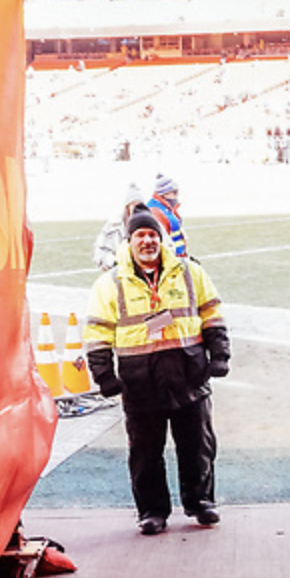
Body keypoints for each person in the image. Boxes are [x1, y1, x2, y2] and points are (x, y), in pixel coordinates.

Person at [85, 209, 232, 535]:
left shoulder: (191, 272)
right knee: (145, 454)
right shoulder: (109, 284)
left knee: (198, 447)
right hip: (140, 383)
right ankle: (152, 511)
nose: (148, 240)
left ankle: (200, 502)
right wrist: (104, 376)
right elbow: (97, 333)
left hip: (190, 376)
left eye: (153, 234)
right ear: (130, 241)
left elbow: (212, 313)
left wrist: (219, 355)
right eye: (140, 235)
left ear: (161, 239)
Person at [91, 182, 148, 271]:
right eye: (134, 205)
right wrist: (114, 263)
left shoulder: (153, 223)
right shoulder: (114, 226)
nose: (137, 208)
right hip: (118, 275)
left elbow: (167, 247)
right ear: (127, 206)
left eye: (140, 205)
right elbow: (100, 253)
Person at [146, 174, 189, 258]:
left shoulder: (166, 208)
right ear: (165, 193)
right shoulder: (156, 211)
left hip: (177, 257)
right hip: (171, 259)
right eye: (175, 192)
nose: (177, 195)